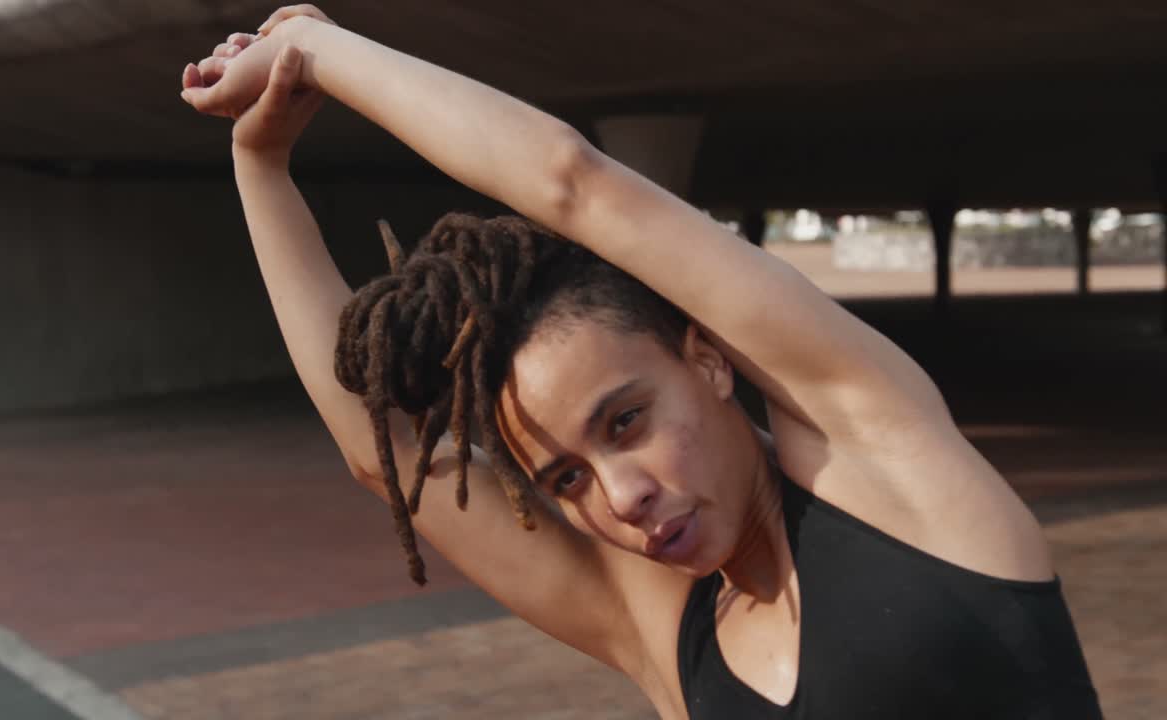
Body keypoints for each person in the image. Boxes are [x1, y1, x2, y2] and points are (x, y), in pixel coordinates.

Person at [179, 6, 1102, 718]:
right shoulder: (662, 629)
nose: (621, 498)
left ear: (707, 361)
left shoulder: (887, 469)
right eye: (567, 477)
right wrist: (259, 166)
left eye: (626, 421)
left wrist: (317, 49)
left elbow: (572, 185)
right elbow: (378, 452)